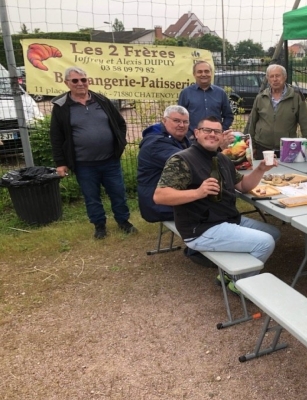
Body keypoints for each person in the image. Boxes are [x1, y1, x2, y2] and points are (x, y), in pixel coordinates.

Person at [153, 116, 281, 295]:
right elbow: (160, 196)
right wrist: (198, 192)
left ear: (222, 136)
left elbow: (243, 186)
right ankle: (238, 284)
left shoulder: (222, 159)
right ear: (197, 133)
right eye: (207, 130)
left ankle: (230, 274)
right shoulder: (182, 160)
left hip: (227, 220)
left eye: (217, 132)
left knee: (273, 233)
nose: (212, 135)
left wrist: (260, 170)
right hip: (201, 229)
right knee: (264, 243)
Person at [50, 66, 136, 239]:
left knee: (118, 193)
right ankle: (99, 226)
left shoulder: (102, 100)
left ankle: (123, 221)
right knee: (91, 197)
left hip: (110, 161)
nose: (80, 83)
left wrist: (120, 143)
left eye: (83, 80)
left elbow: (120, 123)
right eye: (75, 80)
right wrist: (60, 163)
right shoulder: (61, 107)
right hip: (84, 164)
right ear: (67, 83)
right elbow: (56, 137)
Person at [137, 105, 192, 223]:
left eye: (185, 122)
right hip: (158, 204)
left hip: (169, 196)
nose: (181, 125)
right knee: (210, 204)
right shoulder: (156, 143)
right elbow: (189, 161)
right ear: (164, 121)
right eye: (176, 121)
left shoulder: (179, 139)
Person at [246, 64, 307, 159]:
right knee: (263, 173)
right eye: (271, 76)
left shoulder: (296, 97)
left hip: (288, 148)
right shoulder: (261, 97)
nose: (275, 79)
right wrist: (251, 146)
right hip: (262, 148)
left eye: (278, 76)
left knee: (286, 174)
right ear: (268, 79)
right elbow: (251, 123)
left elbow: (306, 125)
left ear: (285, 77)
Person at [178, 60, 234, 137]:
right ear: (194, 74)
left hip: (215, 138)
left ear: (211, 73)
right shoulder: (185, 93)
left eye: (207, 71)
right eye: (200, 72)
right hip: (192, 139)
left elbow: (228, 116)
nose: (203, 74)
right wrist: (188, 134)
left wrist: (221, 131)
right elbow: (180, 117)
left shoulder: (220, 93)